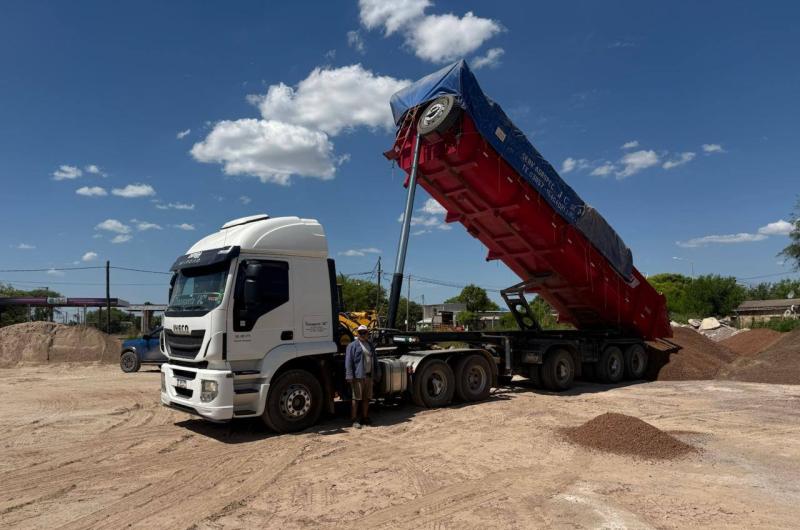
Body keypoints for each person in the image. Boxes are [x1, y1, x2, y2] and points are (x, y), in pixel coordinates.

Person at [345, 325, 380, 429]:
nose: (363, 334)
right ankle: (354, 419)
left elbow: (375, 360)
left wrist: (377, 373)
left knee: (366, 398)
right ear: (357, 334)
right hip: (358, 377)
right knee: (356, 398)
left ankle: (365, 417)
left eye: (365, 332)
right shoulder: (352, 346)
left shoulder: (370, 345)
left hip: (369, 376)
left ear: (367, 333)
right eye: (361, 332)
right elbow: (348, 362)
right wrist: (349, 375)